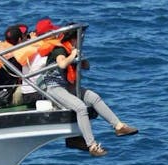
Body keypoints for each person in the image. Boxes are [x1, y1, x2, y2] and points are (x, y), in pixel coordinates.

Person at [19, 18, 138, 157]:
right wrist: (73, 55)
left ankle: (119, 126)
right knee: (80, 108)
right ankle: (92, 145)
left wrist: (81, 57)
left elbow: (87, 66)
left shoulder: (72, 49)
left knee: (94, 97)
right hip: (53, 87)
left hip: (67, 86)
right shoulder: (59, 49)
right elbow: (62, 64)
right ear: (74, 38)